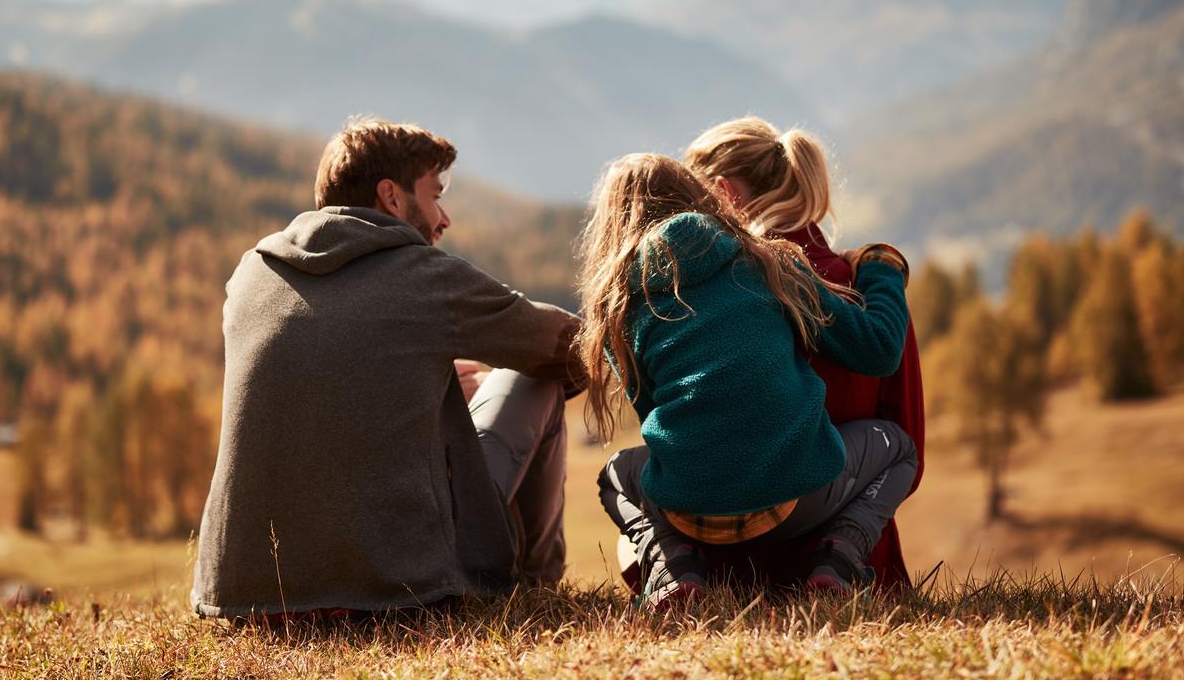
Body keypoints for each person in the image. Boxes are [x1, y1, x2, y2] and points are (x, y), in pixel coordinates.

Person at [192, 117, 581, 620]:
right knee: (535, 377)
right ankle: (533, 583)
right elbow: (568, 345)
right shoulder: (427, 276)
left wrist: (436, 390)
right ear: (392, 197)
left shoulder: (252, 272)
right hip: (396, 586)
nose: (444, 218)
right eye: (435, 194)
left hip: (247, 594)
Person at [581, 154, 915, 607]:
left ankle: (671, 570)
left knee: (615, 474)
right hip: (798, 500)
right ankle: (839, 558)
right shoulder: (765, 261)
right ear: (698, 194)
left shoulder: (618, 304)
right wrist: (881, 267)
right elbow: (878, 348)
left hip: (689, 512)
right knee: (898, 446)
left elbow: (654, 422)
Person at [684, 116, 926, 589]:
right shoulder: (867, 288)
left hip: (727, 568)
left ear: (724, 193)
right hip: (854, 571)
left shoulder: (713, 292)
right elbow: (908, 439)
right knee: (898, 445)